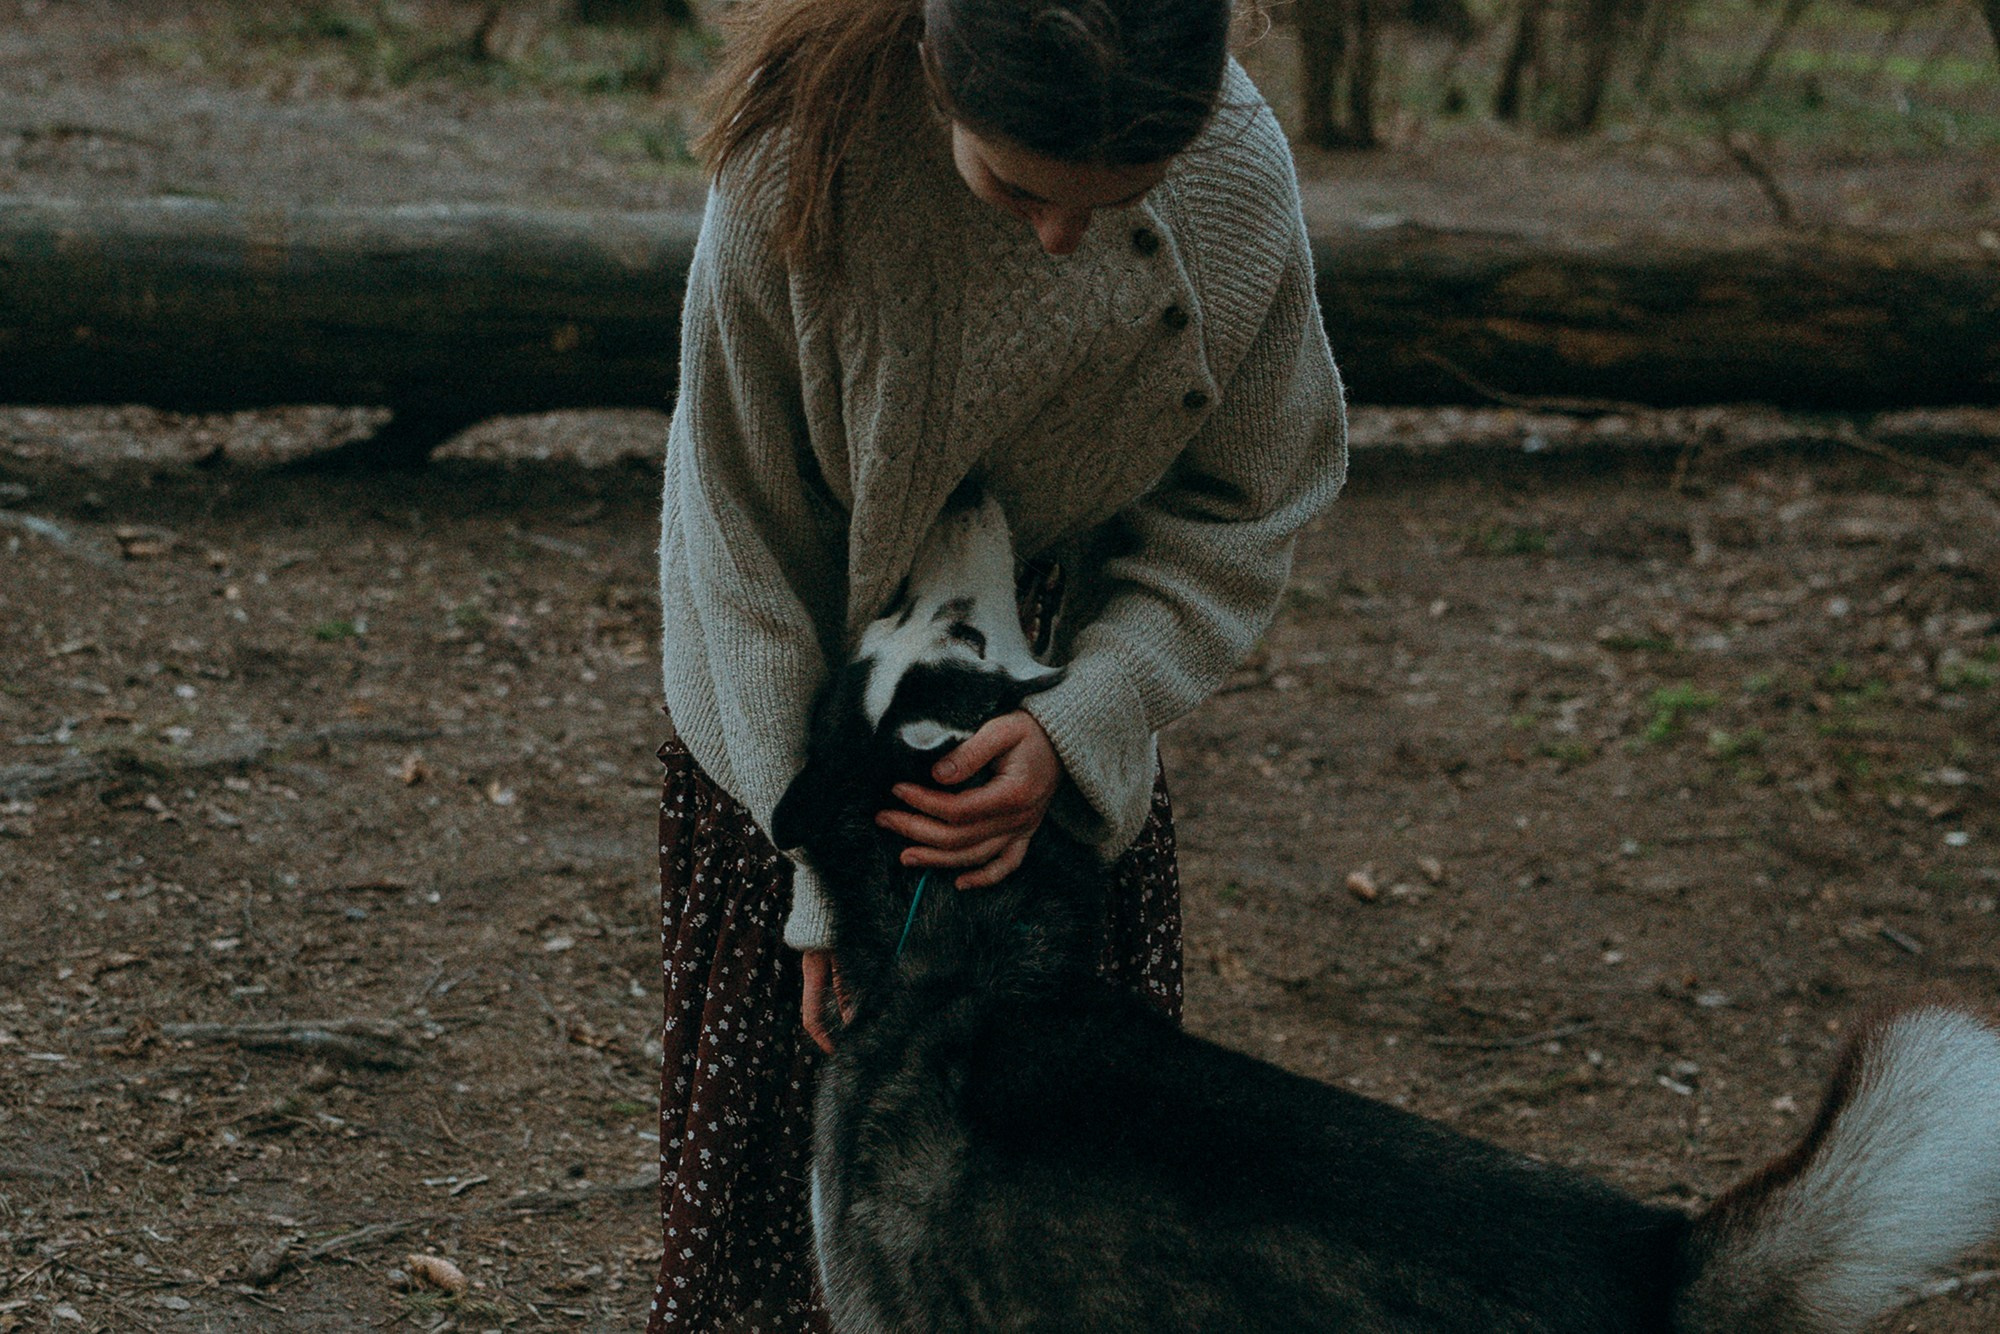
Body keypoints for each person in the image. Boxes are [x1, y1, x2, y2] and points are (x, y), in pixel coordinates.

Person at [652, 0, 1346, 1325]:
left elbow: (1242, 503)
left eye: (1119, 195)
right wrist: (819, 876)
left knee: (1070, 1214)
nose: (1062, 235)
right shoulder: (798, 171)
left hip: (1050, 700)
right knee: (782, 1197)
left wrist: (1085, 720)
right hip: (792, 743)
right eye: (1017, 186)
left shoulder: (1235, 178)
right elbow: (739, 553)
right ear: (936, 70)